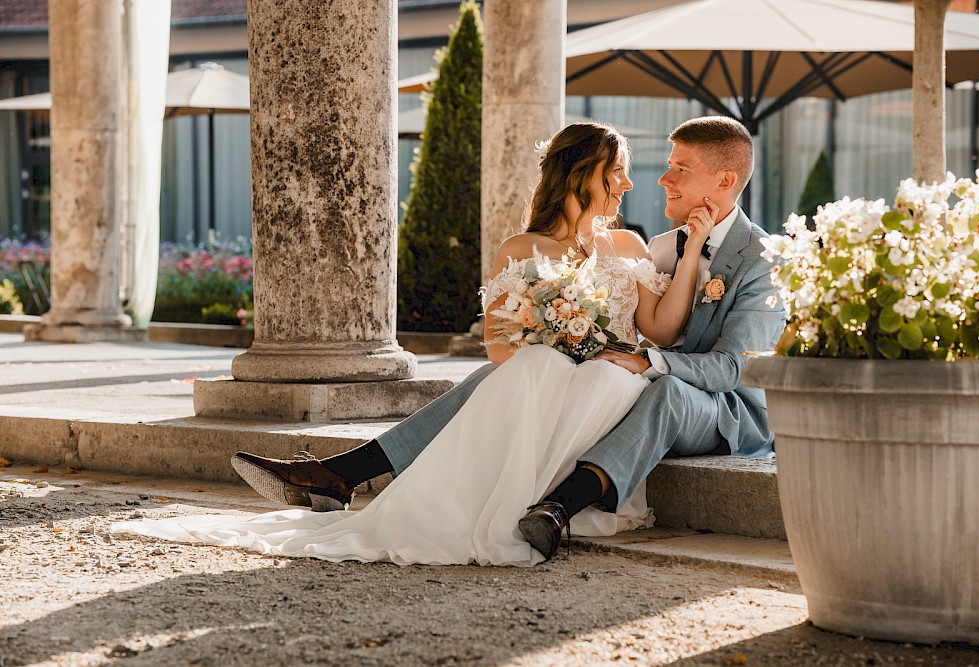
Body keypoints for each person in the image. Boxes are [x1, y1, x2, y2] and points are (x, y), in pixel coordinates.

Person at [113, 121, 715, 566]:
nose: (628, 184)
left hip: (611, 379)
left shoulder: (630, 247)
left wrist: (689, 254)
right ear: (583, 174)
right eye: (618, 171)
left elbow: (660, 331)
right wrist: (555, 335)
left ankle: (344, 473)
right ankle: (366, 481)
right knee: (532, 368)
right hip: (546, 375)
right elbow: (501, 352)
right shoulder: (519, 251)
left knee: (586, 374)